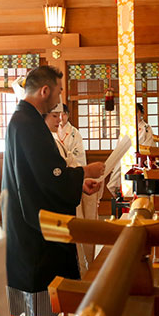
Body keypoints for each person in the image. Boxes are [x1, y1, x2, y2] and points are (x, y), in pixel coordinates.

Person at [3, 65, 104, 316]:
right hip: (34, 228)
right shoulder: (27, 123)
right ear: (45, 90)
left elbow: (42, 175)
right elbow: (51, 176)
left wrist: (77, 182)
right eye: (59, 92)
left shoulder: (25, 120)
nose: (60, 100)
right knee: (38, 307)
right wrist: (84, 172)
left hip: (27, 219)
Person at [55, 103, 99, 275]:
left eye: (63, 114)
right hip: (64, 181)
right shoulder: (51, 133)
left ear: (67, 115)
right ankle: (77, 263)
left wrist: (70, 161)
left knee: (80, 224)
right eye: (57, 115)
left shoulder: (75, 133)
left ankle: (87, 264)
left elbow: (78, 156)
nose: (60, 118)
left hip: (76, 179)